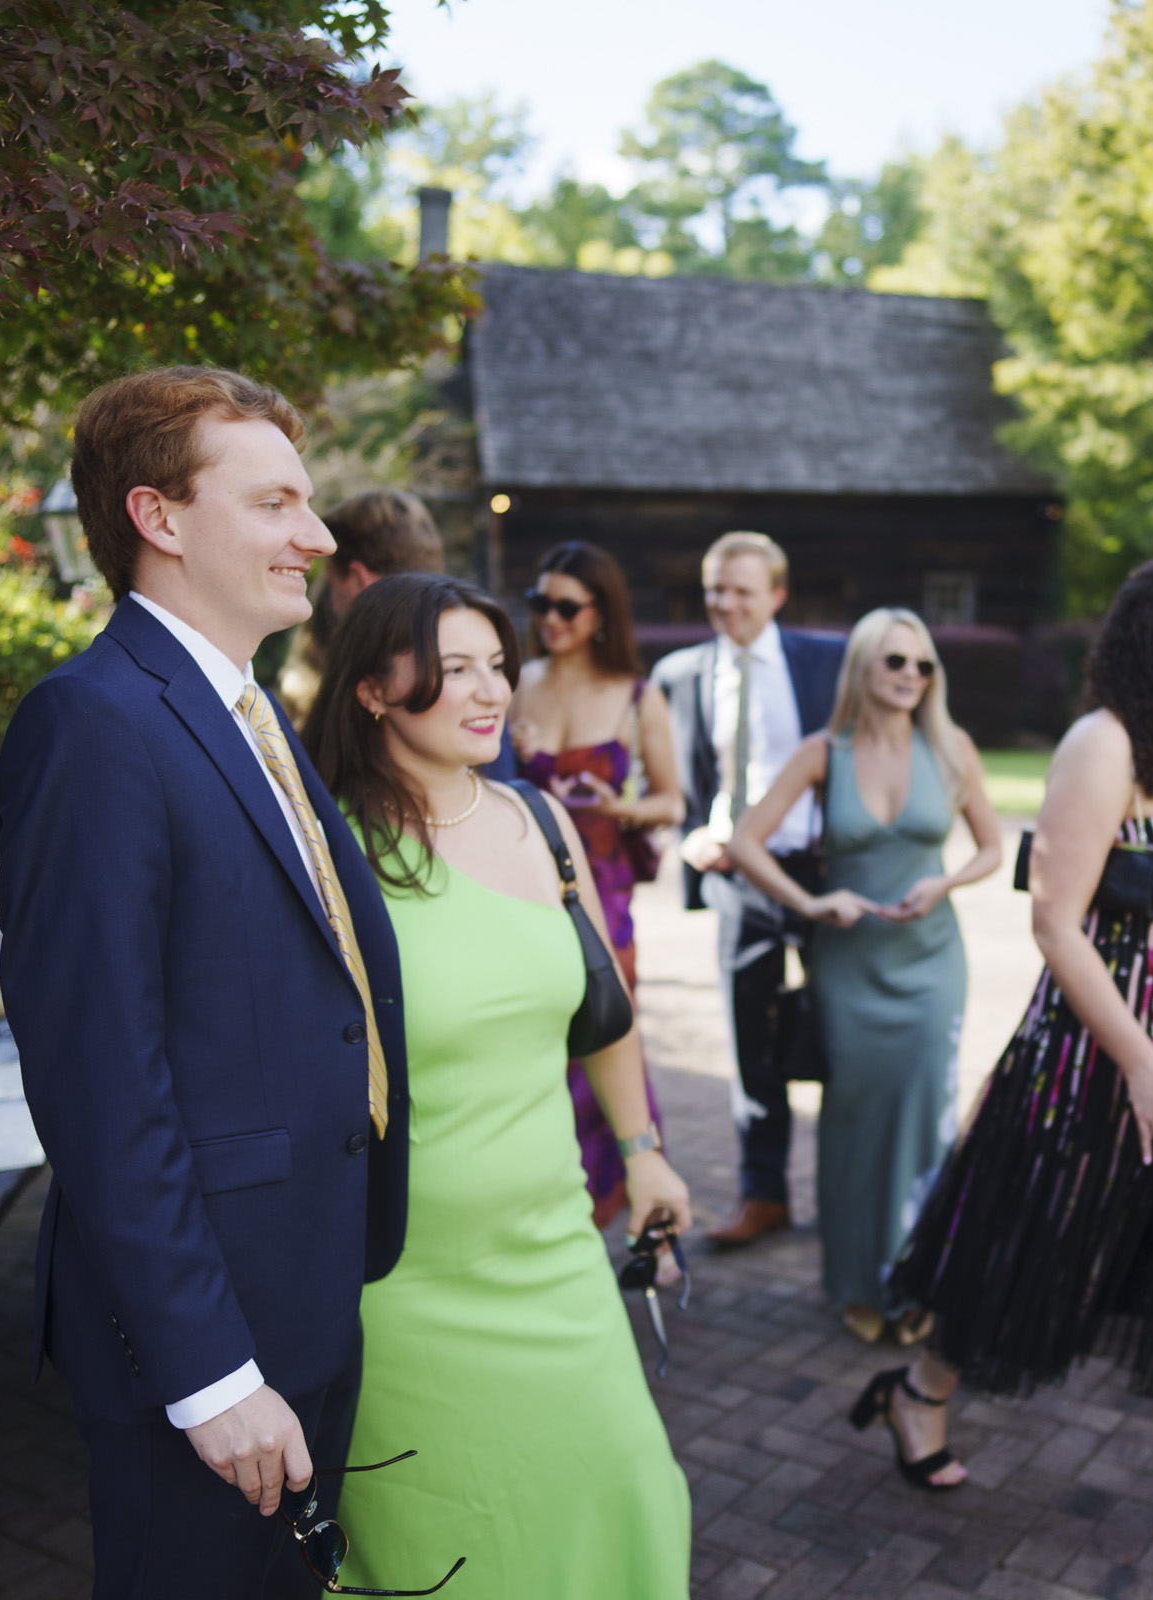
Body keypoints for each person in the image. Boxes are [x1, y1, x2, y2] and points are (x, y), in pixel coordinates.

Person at [0, 365, 410, 1598]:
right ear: (159, 519)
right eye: (277, 502)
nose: (319, 535)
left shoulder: (250, 709)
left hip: (304, 1285)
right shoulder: (94, 723)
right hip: (212, 1341)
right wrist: (213, 1372)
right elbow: (98, 1081)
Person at [871, 555, 1153, 1557]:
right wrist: (1139, 1063)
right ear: (1150, 636)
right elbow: (1056, 922)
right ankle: (918, 1388)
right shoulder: (1102, 741)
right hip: (1096, 1048)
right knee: (1035, 1243)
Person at [308, 572, 693, 1597]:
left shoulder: (537, 817)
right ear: (373, 692)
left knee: (628, 1488)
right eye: (451, 671)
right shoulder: (330, 848)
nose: (488, 694)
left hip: (557, 1248)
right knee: (456, 1552)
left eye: (496, 667)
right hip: (405, 1283)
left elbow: (600, 1012)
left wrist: (645, 1151)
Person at [728, 608, 1004, 1344]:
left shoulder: (951, 749)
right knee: (852, 1123)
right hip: (847, 967)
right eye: (896, 663)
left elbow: (991, 850)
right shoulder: (825, 752)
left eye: (923, 666)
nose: (912, 676)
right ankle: (855, 1280)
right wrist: (812, 901)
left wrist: (942, 885)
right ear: (863, 669)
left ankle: (918, 1279)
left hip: (930, 962)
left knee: (925, 1120)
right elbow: (745, 841)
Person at [649, 531, 846, 1250]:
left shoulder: (828, 661)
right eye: (715, 590)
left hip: (822, 873)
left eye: (741, 590)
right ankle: (764, 1197)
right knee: (750, 1045)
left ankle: (843, 1194)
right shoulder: (679, 673)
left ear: (777, 596)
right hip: (737, 880)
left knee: (839, 1035)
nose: (725, 604)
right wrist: (692, 837)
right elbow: (675, 782)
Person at [510, 542, 687, 1229]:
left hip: (604, 894)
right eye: (539, 603)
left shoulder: (638, 697)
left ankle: (624, 1196)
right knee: (540, 1048)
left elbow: (672, 803)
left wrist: (620, 808)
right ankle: (546, 1200)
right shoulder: (517, 680)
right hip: (525, 885)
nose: (548, 618)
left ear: (601, 614)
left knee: (609, 1038)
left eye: (565, 607)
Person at [277, 489, 445, 728]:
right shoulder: (470, 659)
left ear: (358, 579)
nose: (328, 598)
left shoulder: (356, 686)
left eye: (331, 582)